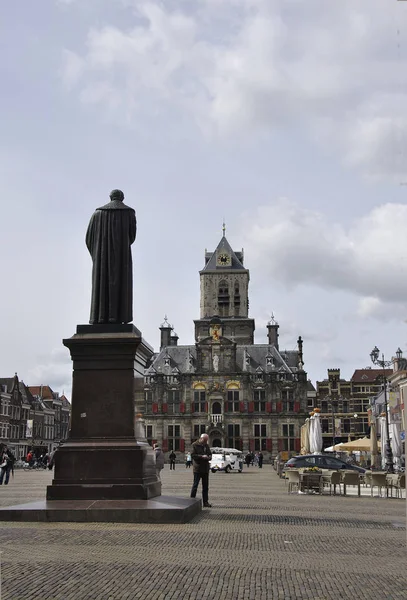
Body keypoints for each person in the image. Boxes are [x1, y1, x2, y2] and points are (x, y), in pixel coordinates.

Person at [86, 189, 137, 324]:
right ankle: (120, 317)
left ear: (110, 197)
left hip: (102, 259)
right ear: (122, 198)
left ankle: (99, 317)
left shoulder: (97, 214)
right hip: (122, 259)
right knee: (121, 283)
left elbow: (89, 239)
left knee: (101, 284)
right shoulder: (129, 213)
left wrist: (98, 254)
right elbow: (132, 236)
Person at [190, 433, 212, 507]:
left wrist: (208, 457)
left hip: (205, 469)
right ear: (201, 438)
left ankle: (205, 502)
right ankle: (191, 501)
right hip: (198, 469)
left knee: (205, 487)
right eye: (205, 440)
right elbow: (193, 455)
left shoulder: (206, 445)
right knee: (195, 485)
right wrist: (202, 456)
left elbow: (210, 454)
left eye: (207, 440)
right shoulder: (194, 445)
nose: (206, 442)